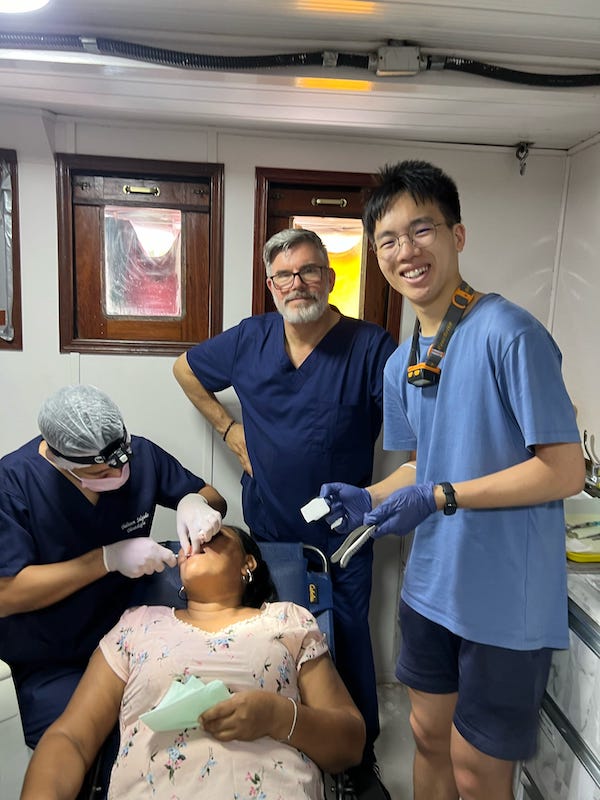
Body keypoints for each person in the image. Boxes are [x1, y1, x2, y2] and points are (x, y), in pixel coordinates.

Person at [320, 160, 586, 800]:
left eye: (422, 231)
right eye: (387, 240)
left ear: (457, 236)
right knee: (427, 738)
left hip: (502, 600)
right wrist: (374, 496)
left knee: (477, 770)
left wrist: (443, 496)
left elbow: (565, 469)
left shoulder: (509, 333)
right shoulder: (402, 358)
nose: (405, 252)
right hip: (431, 588)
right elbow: (422, 466)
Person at [173, 227, 397, 798]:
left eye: (309, 271)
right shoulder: (251, 338)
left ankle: (356, 758)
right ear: (270, 284)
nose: (297, 283)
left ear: (329, 276)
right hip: (271, 536)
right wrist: (227, 429)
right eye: (284, 275)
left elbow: (414, 419)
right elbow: (185, 369)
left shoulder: (371, 346)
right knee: (275, 646)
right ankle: (286, 745)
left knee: (345, 641)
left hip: (343, 539)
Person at [20, 524, 366, 800]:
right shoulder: (138, 624)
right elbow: (71, 737)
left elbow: (349, 745)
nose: (198, 540)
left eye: (214, 535)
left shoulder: (287, 620)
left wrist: (278, 717)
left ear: (249, 563)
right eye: (191, 537)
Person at [0, 384, 226, 753]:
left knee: (176, 738)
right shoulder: (12, 485)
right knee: (86, 748)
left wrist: (194, 502)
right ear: (60, 461)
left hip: (131, 640)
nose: (119, 474)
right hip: (53, 659)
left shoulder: (141, 455)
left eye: (122, 463)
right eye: (101, 471)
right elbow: (6, 595)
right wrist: (105, 559)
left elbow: (213, 498)